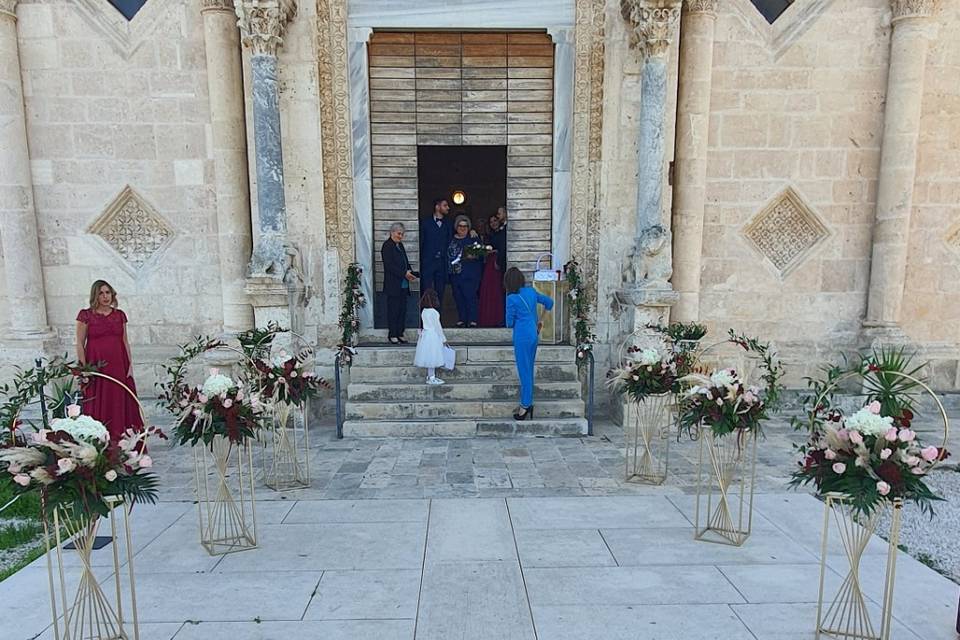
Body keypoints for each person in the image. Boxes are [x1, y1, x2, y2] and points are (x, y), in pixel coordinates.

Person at [75, 280, 144, 441]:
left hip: (118, 365)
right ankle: (99, 440)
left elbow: (125, 341)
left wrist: (129, 365)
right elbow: (79, 342)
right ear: (95, 295)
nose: (105, 296)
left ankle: (122, 440)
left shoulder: (119, 315)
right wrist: (84, 368)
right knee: (99, 401)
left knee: (119, 400)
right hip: (97, 367)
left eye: (107, 292)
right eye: (101, 293)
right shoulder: (85, 315)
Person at [504, 267, 553, 421]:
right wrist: (541, 320)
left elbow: (509, 322)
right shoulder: (531, 292)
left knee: (524, 371)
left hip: (522, 336)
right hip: (533, 334)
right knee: (529, 368)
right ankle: (528, 402)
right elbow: (549, 302)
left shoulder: (511, 298)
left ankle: (525, 406)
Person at [381, 222, 418, 344]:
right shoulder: (387, 246)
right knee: (393, 310)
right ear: (392, 232)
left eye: (402, 234)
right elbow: (389, 266)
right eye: (399, 233)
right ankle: (392, 334)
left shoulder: (400, 245)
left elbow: (405, 262)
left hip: (403, 284)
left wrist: (411, 273)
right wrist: (404, 273)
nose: (401, 236)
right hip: (393, 285)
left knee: (402, 310)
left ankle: (400, 333)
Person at [447, 215, 483, 328]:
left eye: (465, 226)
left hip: (470, 274)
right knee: (458, 297)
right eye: (460, 225)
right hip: (454, 274)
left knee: (470, 296)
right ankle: (462, 319)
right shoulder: (450, 239)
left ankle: (472, 319)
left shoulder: (473, 238)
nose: (463, 228)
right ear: (456, 227)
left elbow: (481, 255)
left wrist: (474, 256)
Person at [419, 197, 452, 304]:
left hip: (442, 263)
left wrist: (472, 231)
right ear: (437, 207)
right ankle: (425, 318)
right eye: (445, 205)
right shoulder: (425, 223)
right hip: (428, 262)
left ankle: (438, 317)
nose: (448, 208)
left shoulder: (449, 224)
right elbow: (421, 242)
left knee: (440, 292)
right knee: (426, 290)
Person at [414, 289, 447, 385]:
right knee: (433, 357)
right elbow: (438, 327)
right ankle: (432, 377)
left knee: (429, 356)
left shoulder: (424, 311)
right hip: (433, 336)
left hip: (426, 335)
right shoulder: (434, 312)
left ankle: (430, 376)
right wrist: (444, 339)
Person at [477, 223, 505, 327]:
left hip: (494, 262)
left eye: (494, 220)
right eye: (491, 221)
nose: (493, 223)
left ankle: (496, 318)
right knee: (487, 289)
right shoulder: (477, 237)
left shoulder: (496, 235)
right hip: (488, 263)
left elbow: (500, 248)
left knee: (495, 289)